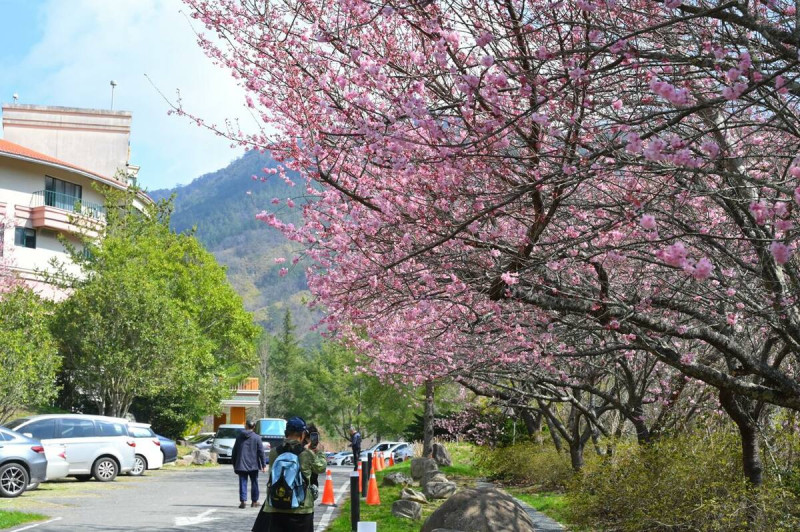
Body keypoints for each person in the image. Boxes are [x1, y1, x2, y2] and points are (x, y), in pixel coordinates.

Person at [252, 416, 327, 532]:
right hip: (301, 508)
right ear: (302, 435)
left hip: (276, 506)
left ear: (285, 433)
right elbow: (321, 468)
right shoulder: (306, 454)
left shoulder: (274, 452)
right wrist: (319, 452)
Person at [232, 419, 267, 509]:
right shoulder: (257, 437)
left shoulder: (239, 436)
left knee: (242, 482)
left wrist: (234, 464)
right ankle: (254, 502)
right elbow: (261, 452)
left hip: (241, 464)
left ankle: (243, 501)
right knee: (254, 482)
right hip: (253, 465)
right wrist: (263, 465)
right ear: (254, 427)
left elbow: (234, 451)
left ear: (246, 426)